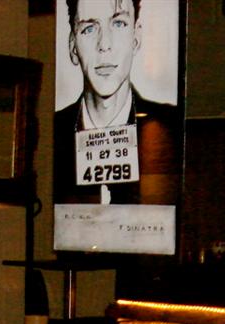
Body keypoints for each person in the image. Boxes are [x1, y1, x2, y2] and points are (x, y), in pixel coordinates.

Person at [54, 0, 180, 206]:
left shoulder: (173, 129)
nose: (104, 45)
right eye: (89, 28)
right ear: (73, 46)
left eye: (118, 24)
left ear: (136, 38)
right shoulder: (52, 134)